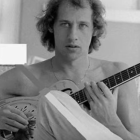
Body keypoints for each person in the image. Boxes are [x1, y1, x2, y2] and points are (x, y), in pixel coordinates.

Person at [0, 0, 140, 139]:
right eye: (65, 24)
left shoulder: (117, 72)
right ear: (51, 26)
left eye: (83, 25)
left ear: (94, 29)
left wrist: (112, 123)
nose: (73, 36)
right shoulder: (26, 77)